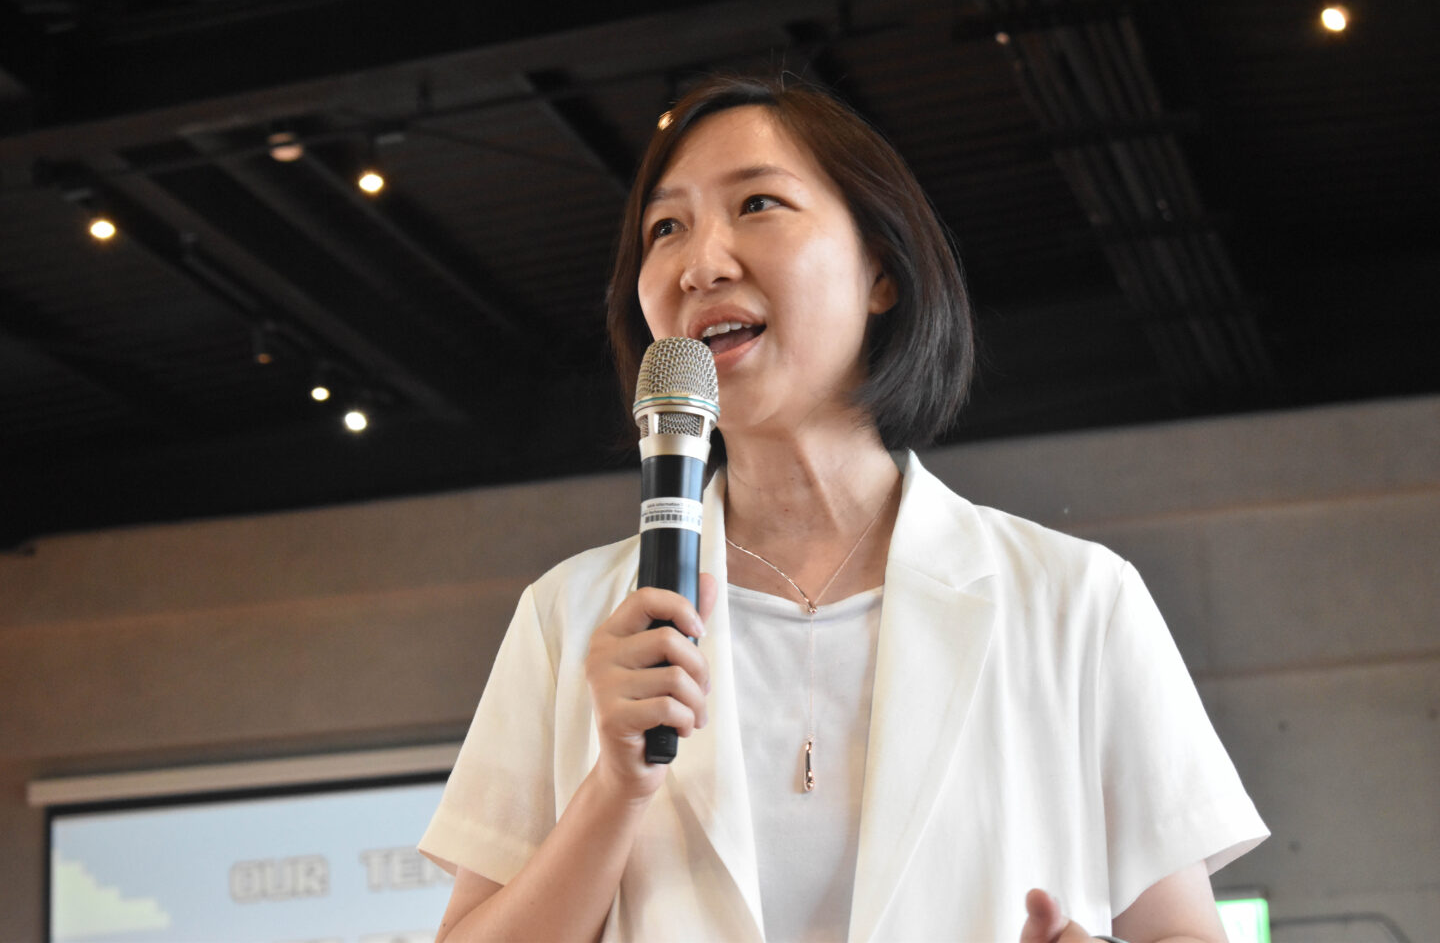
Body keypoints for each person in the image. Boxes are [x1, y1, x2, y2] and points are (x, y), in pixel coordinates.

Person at [419, 73, 1268, 942]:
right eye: (665, 228)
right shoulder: (567, 618)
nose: (701, 264)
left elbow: (1183, 930)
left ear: (881, 271)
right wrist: (614, 788)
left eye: (757, 204)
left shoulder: (1075, 599)